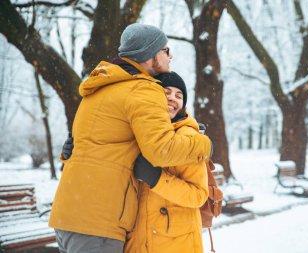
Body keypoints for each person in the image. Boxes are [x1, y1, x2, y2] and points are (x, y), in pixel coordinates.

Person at [48, 23, 212, 253]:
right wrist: (205, 144)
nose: (170, 55)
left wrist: (67, 155)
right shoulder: (142, 90)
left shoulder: (101, 89)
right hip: (99, 223)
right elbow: (161, 150)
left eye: (178, 95)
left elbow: (95, 148)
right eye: (165, 50)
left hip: (69, 216)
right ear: (151, 54)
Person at [126, 72, 208, 253]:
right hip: (138, 240)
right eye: (167, 92)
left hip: (176, 244)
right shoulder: (136, 133)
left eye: (179, 96)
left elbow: (198, 195)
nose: (172, 98)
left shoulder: (187, 138)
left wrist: (157, 179)